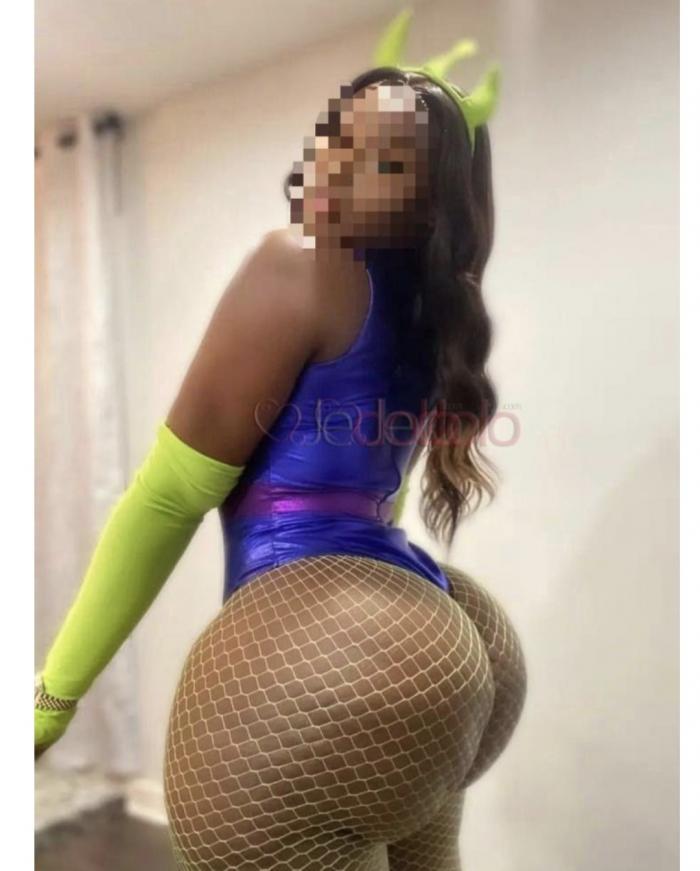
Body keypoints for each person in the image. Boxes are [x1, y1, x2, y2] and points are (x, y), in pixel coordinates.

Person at [35, 9, 527, 870]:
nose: (336, 170)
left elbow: (167, 497)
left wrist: (53, 694)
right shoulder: (434, 300)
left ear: (429, 199)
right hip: (450, 637)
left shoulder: (299, 259)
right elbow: (378, 494)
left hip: (331, 650)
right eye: (336, 140)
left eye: (384, 164)